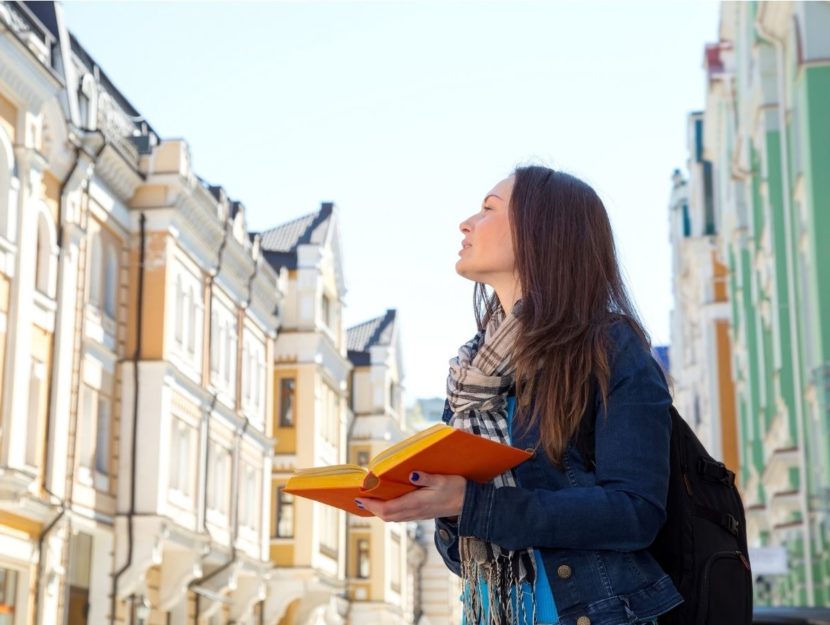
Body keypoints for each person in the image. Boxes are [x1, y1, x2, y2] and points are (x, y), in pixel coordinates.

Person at [355, 165, 683, 625]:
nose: (465, 223)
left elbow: (635, 512)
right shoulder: (471, 376)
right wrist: (440, 506)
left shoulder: (609, 347)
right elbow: (461, 561)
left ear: (541, 232)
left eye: (488, 209)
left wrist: (469, 504)